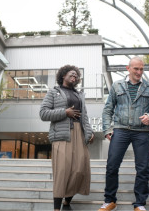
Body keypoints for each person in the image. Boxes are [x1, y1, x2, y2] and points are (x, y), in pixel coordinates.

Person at [98, 56, 149, 211]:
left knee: (143, 168)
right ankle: (110, 200)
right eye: (136, 69)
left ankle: (140, 203)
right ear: (128, 68)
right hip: (120, 129)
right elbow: (108, 109)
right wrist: (107, 129)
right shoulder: (116, 86)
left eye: (141, 69)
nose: (139, 72)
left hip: (141, 132)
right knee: (112, 166)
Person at [39, 65, 94, 211]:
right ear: (63, 75)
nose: (74, 76)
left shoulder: (79, 95)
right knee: (62, 171)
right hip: (62, 135)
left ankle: (67, 201)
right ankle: (57, 207)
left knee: (80, 169)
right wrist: (65, 112)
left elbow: (85, 117)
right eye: (71, 73)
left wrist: (89, 132)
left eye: (76, 75)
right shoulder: (54, 92)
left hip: (79, 134)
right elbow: (43, 113)